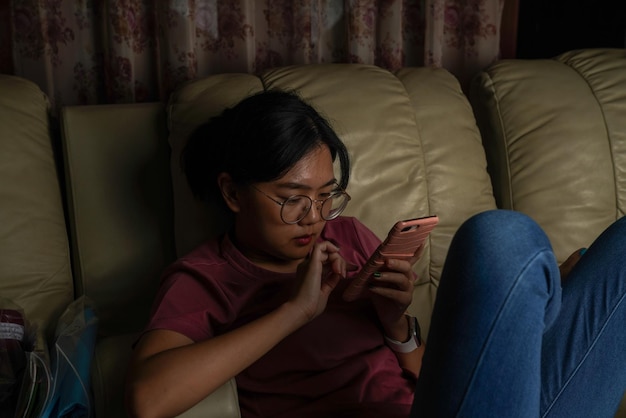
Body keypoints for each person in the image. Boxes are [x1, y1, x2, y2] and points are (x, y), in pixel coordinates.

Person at [125, 90, 626, 418]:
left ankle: (534, 304)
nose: (315, 218)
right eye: (293, 199)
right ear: (233, 194)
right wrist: (294, 312)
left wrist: (396, 326)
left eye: (326, 196)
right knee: (500, 237)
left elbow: (434, 377)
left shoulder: (350, 238)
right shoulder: (204, 278)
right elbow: (149, 398)